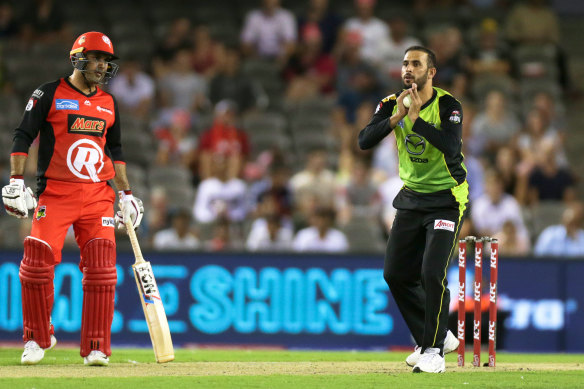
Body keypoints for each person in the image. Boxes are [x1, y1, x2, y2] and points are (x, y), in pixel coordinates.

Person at [1, 32, 144, 366]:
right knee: (35, 265)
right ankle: (37, 338)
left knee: (102, 269)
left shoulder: (109, 103)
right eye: (95, 58)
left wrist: (126, 195)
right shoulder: (48, 93)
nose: (101, 65)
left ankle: (97, 345)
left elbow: (117, 150)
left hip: (97, 196)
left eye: (106, 61)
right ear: (77, 57)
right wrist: (14, 181)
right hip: (56, 192)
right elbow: (23, 135)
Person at [359, 46, 468, 373]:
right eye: (405, 63)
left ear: (430, 72)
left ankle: (432, 350)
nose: (408, 69)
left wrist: (418, 121)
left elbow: (450, 145)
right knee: (394, 273)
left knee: (431, 273)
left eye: (416, 64)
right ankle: (437, 336)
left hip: (447, 199)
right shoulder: (391, 103)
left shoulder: (449, 105)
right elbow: (364, 140)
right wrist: (397, 119)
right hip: (411, 197)